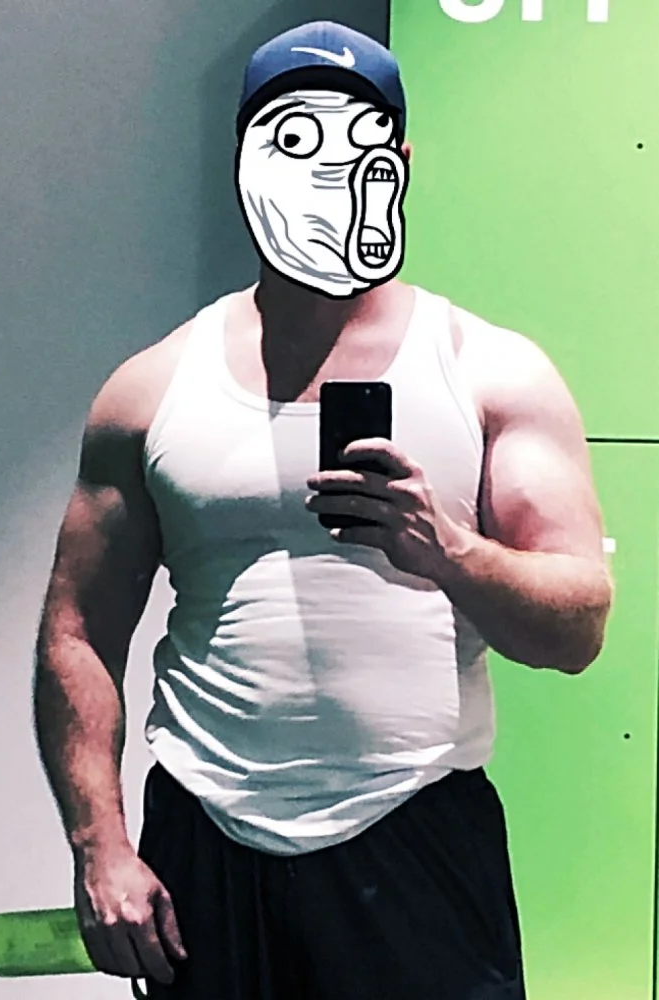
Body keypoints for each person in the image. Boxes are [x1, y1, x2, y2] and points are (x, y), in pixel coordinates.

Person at [33, 20, 614, 1000]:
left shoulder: (488, 370)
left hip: (414, 830)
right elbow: (77, 631)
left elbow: (575, 627)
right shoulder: (149, 389)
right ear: (245, 161)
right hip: (205, 835)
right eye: (293, 139)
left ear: (398, 165)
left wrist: (449, 552)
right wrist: (100, 845)